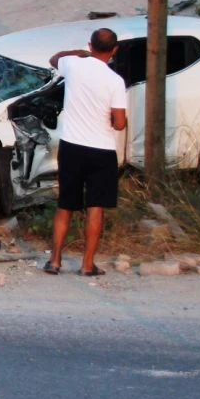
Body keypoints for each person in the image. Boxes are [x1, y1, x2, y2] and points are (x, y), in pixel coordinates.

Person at [44, 27, 128, 277]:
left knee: (65, 205)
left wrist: (80, 53)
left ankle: (55, 261)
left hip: (71, 146)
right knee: (96, 208)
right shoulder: (115, 81)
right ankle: (87, 264)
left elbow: (54, 58)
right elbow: (120, 123)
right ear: (114, 51)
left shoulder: (73, 64)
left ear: (90, 46)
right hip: (101, 151)